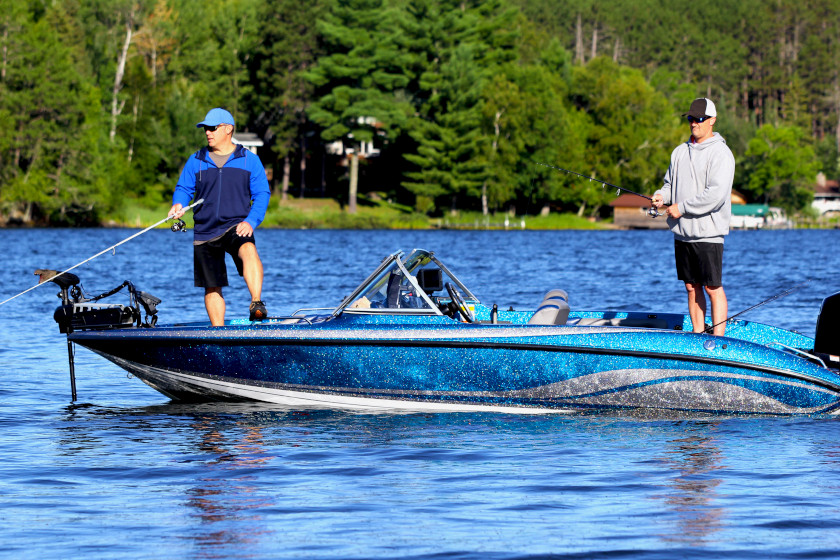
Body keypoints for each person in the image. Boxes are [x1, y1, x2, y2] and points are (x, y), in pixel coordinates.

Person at [169, 107, 271, 326]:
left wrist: (251, 221)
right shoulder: (196, 160)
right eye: (206, 128)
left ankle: (256, 303)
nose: (208, 132)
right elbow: (183, 189)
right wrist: (178, 204)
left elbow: (262, 194)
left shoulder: (248, 160)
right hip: (205, 230)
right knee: (212, 285)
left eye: (212, 128)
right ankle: (219, 333)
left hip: (236, 224)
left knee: (248, 249)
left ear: (228, 129)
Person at [652, 98, 735, 336]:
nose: (694, 123)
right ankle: (698, 334)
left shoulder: (721, 154)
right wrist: (661, 196)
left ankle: (718, 339)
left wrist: (682, 208)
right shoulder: (679, 152)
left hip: (708, 233)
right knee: (691, 287)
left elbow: (716, 195)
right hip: (682, 233)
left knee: (712, 287)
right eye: (691, 118)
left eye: (699, 119)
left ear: (712, 121)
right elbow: (670, 185)